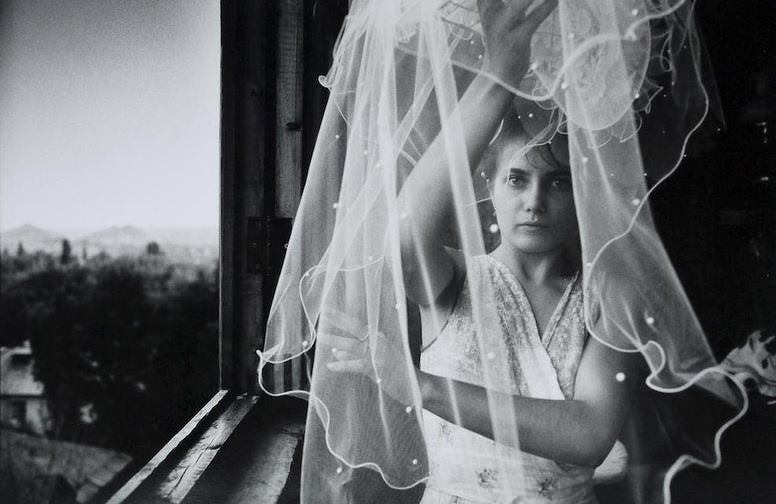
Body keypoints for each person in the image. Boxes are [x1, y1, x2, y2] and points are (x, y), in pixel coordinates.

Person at [259, 1, 746, 502]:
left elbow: (590, 435)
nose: (535, 201)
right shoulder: (453, 281)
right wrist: (498, 78)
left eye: (558, 182)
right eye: (516, 179)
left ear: (582, 193)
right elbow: (403, 233)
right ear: (488, 187)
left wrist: (422, 387)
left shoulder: (609, 294)